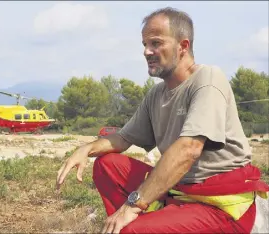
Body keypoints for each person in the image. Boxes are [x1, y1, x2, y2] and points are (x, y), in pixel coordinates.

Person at [56, 7, 269, 234]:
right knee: (107, 165)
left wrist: (133, 204)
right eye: (145, 45)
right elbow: (123, 138)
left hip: (217, 202)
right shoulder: (157, 94)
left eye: (156, 43)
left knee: (134, 230)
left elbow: (189, 149)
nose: (147, 52)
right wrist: (86, 149)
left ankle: (137, 225)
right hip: (179, 190)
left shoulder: (207, 79)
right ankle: (138, 222)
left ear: (183, 46)